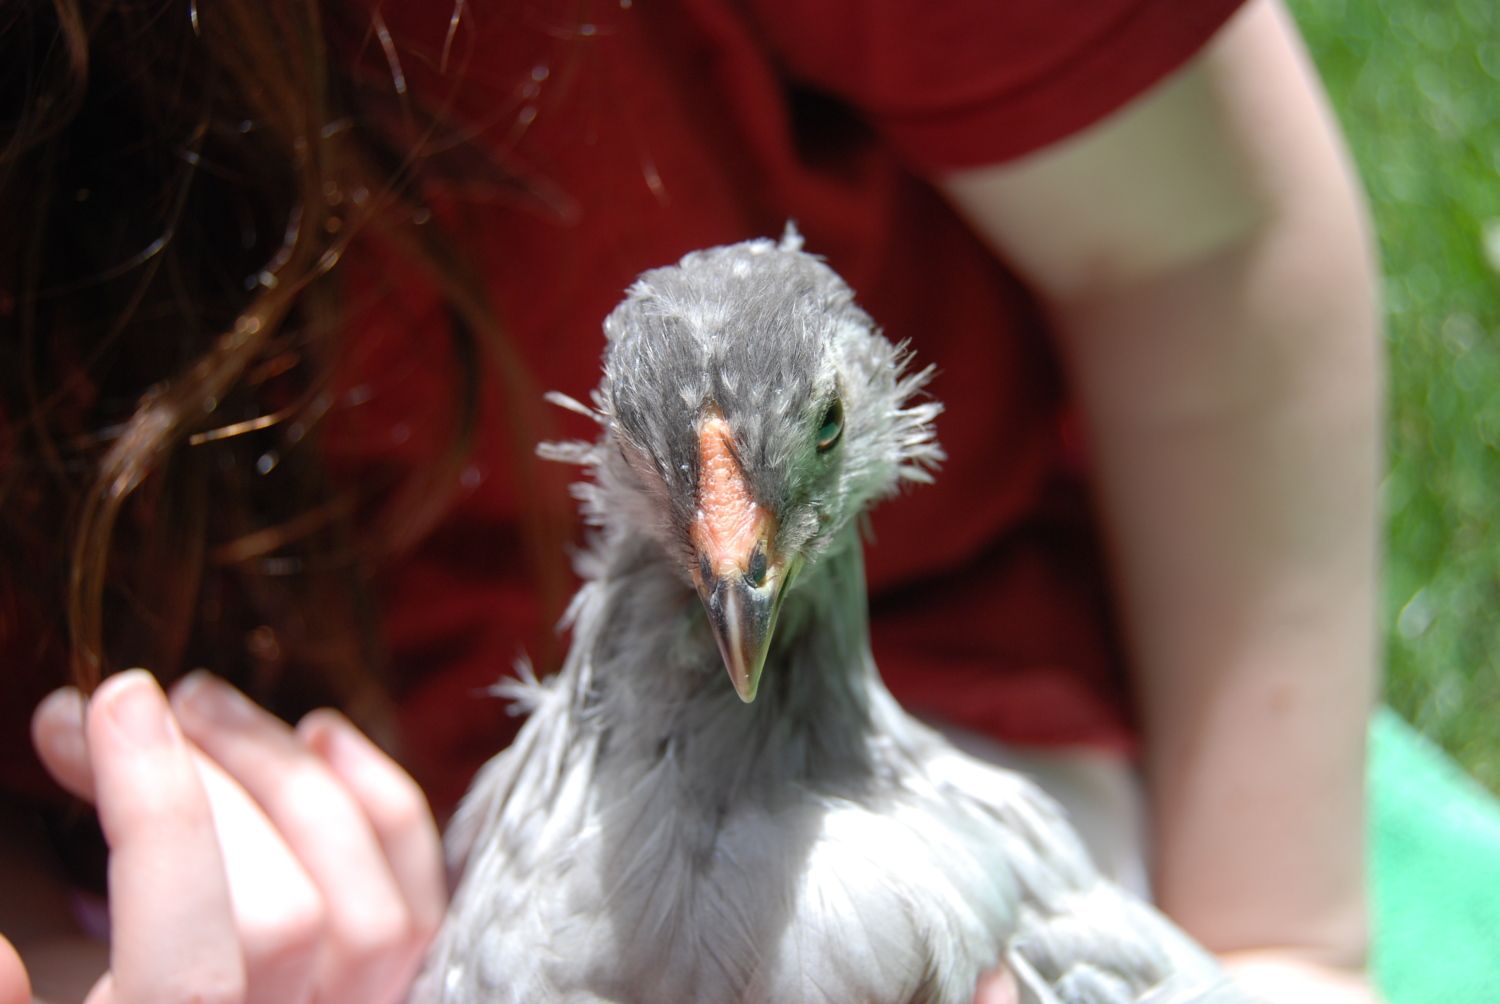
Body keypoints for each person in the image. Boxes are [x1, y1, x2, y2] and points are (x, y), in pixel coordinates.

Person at [0, 0, 1382, 1001]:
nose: (741, 574)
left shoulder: (978, 896)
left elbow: (1220, 243)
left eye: (816, 439)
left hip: (986, 695)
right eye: (680, 479)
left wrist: (1288, 947)